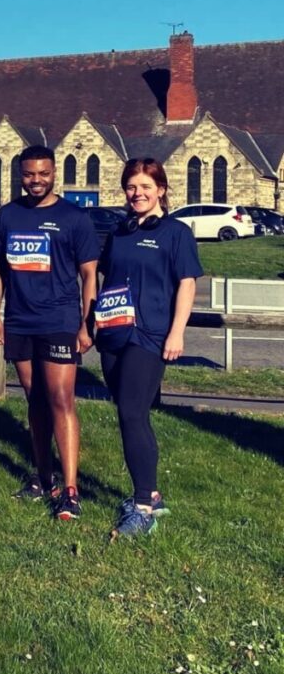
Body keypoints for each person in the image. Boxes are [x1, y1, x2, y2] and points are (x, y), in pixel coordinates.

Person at [0, 145, 99, 519]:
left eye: (44, 174)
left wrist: (87, 324)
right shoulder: (8, 216)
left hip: (60, 321)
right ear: (21, 175)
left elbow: (89, 275)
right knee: (35, 401)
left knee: (61, 399)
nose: (36, 180)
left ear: (54, 174)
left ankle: (70, 490)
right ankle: (43, 477)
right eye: (29, 174)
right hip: (20, 322)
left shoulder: (74, 218)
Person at [95, 158, 201, 538]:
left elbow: (187, 283)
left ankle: (142, 508)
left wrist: (177, 333)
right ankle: (151, 493)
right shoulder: (119, 232)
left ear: (161, 190)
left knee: (132, 411)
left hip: (151, 334)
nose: (137, 194)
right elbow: (106, 277)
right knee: (131, 415)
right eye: (131, 187)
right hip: (113, 334)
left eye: (145, 187)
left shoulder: (175, 233)